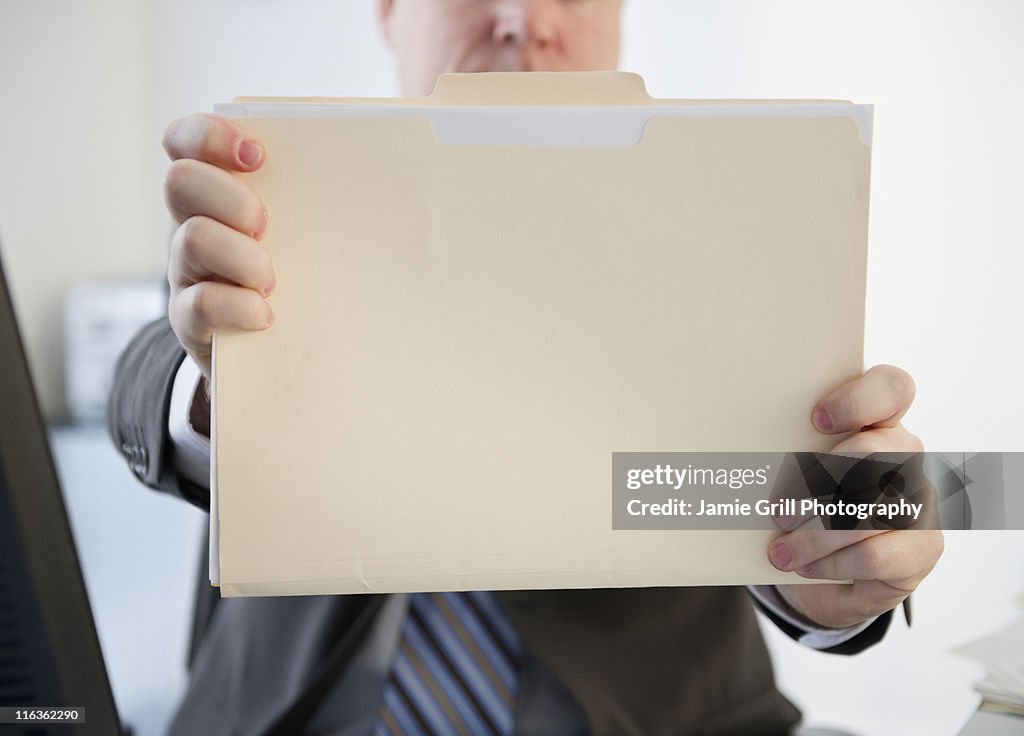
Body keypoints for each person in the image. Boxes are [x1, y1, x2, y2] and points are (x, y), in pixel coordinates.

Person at [108, 1, 944, 734]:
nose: (524, 18)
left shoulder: (731, 227)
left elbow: (781, 483)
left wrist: (831, 564)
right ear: (390, 10)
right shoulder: (271, 206)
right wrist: (221, 386)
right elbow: (145, 377)